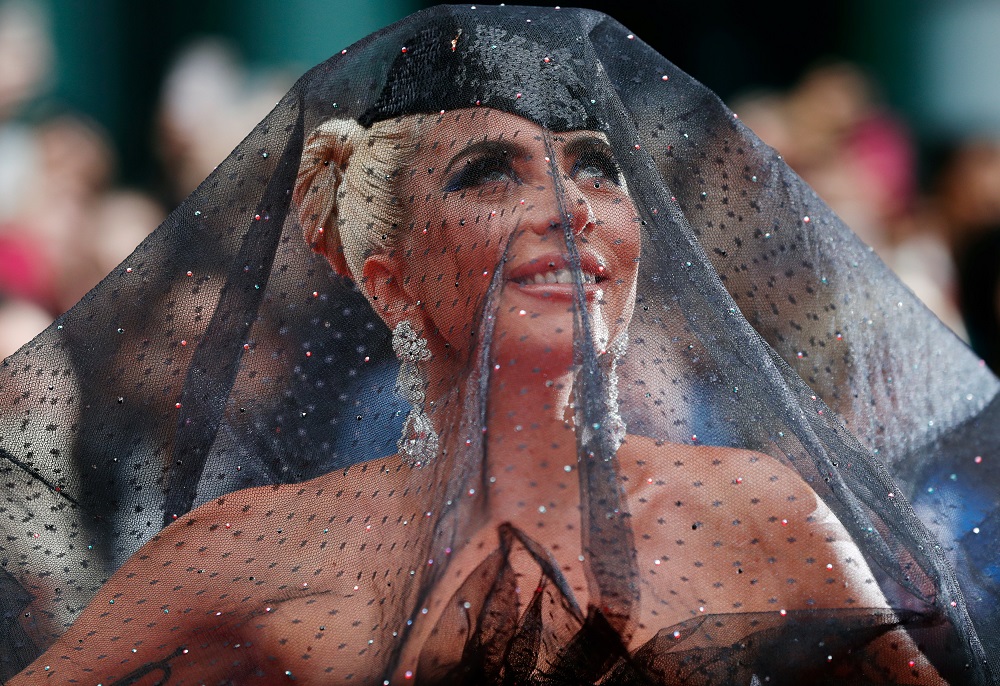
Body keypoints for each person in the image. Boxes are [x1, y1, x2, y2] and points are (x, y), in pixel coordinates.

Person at [2, 5, 997, 684]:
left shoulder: (760, 513)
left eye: (598, 170)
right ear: (385, 276)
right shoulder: (249, 545)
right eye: (488, 174)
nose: (567, 211)